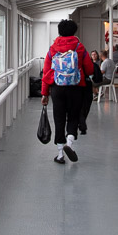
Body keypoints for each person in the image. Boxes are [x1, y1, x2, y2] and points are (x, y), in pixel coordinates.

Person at [41, 20, 95, 164]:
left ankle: (60, 155)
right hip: (76, 87)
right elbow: (89, 69)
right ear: (74, 31)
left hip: (57, 88)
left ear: (59, 31)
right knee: (73, 116)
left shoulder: (53, 49)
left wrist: (44, 93)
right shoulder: (79, 47)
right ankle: (69, 144)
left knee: (59, 119)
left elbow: (46, 72)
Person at [78, 49, 102, 130]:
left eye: (95, 54)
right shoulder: (91, 64)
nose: (94, 56)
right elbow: (97, 76)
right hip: (87, 84)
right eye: (92, 54)